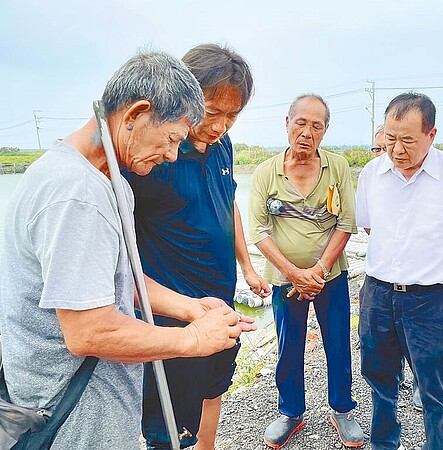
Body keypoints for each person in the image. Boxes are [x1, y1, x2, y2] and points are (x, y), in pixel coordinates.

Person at [0, 51, 255, 450]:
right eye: (171, 139)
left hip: (94, 408)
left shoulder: (106, 180)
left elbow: (118, 279)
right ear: (136, 113)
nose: (172, 155)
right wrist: (190, 341)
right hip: (70, 417)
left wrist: (189, 308)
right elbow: (89, 330)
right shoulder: (76, 194)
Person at [124, 44, 270, 450]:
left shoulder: (223, 147)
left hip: (220, 302)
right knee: (169, 427)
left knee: (213, 389)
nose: (221, 125)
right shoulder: (158, 154)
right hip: (173, 313)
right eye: (211, 109)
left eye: (232, 115)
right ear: (185, 97)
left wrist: (247, 266)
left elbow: (228, 205)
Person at [356, 92, 443, 450]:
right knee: (379, 379)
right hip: (378, 294)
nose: (397, 149)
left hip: (431, 300)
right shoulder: (371, 174)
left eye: (407, 140)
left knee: (434, 387)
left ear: (431, 134)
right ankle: (384, 443)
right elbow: (370, 228)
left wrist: (433, 261)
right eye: (390, 139)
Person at [249, 94, 364, 449]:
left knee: (337, 342)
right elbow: (258, 230)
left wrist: (318, 270)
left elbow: (345, 222)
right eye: (301, 122)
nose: (307, 132)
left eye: (317, 125)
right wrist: (294, 273)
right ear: (287, 123)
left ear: (325, 131)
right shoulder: (266, 171)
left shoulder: (338, 166)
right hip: (286, 280)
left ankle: (342, 409)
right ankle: (290, 412)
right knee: (289, 346)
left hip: (330, 276)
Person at [370, 124, 417, 400]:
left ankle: (420, 383)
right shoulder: (371, 178)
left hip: (420, 286)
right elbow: (366, 226)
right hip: (380, 284)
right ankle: (393, 379)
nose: (383, 153)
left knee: (420, 348)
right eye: (377, 148)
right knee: (382, 347)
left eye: (383, 147)